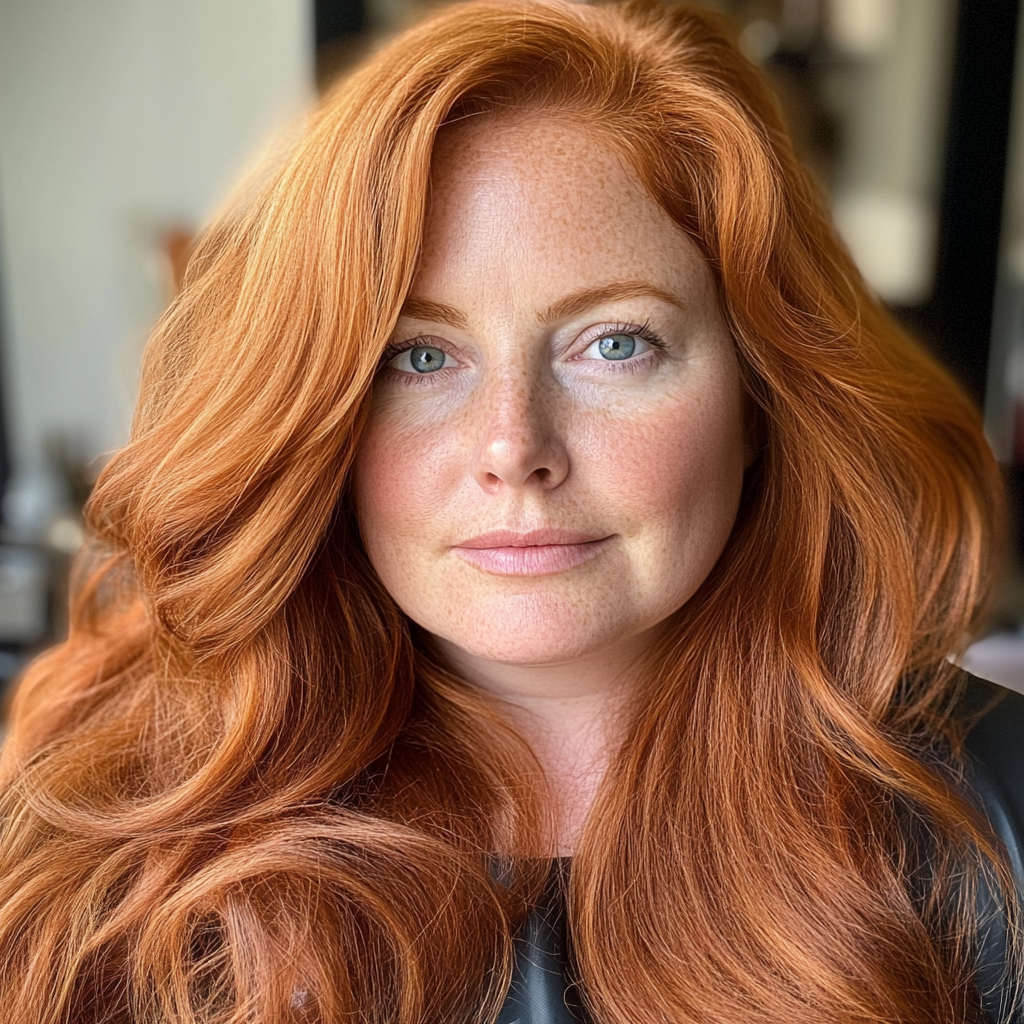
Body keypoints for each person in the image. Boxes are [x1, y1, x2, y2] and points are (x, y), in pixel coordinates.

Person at [0, 1, 1021, 1021]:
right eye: (420, 356)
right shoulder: (111, 832)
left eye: (614, 343)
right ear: (323, 414)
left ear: (760, 397)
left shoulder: (988, 821)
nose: (512, 448)